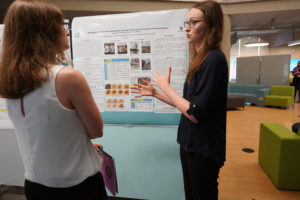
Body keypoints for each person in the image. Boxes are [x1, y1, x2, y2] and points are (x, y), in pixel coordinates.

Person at [0, 0, 107, 199]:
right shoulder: (67, 77)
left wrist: (76, 143)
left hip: (35, 186)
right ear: (44, 33)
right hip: (78, 188)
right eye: (61, 26)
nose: (67, 32)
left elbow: (39, 132)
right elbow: (96, 130)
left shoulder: (10, 80)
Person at [132, 1, 228, 199]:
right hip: (189, 142)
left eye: (193, 22)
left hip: (204, 147)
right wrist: (157, 93)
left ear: (210, 24)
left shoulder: (214, 60)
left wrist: (166, 87)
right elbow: (186, 105)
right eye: (186, 22)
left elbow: (195, 114)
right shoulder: (200, 59)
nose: (187, 28)